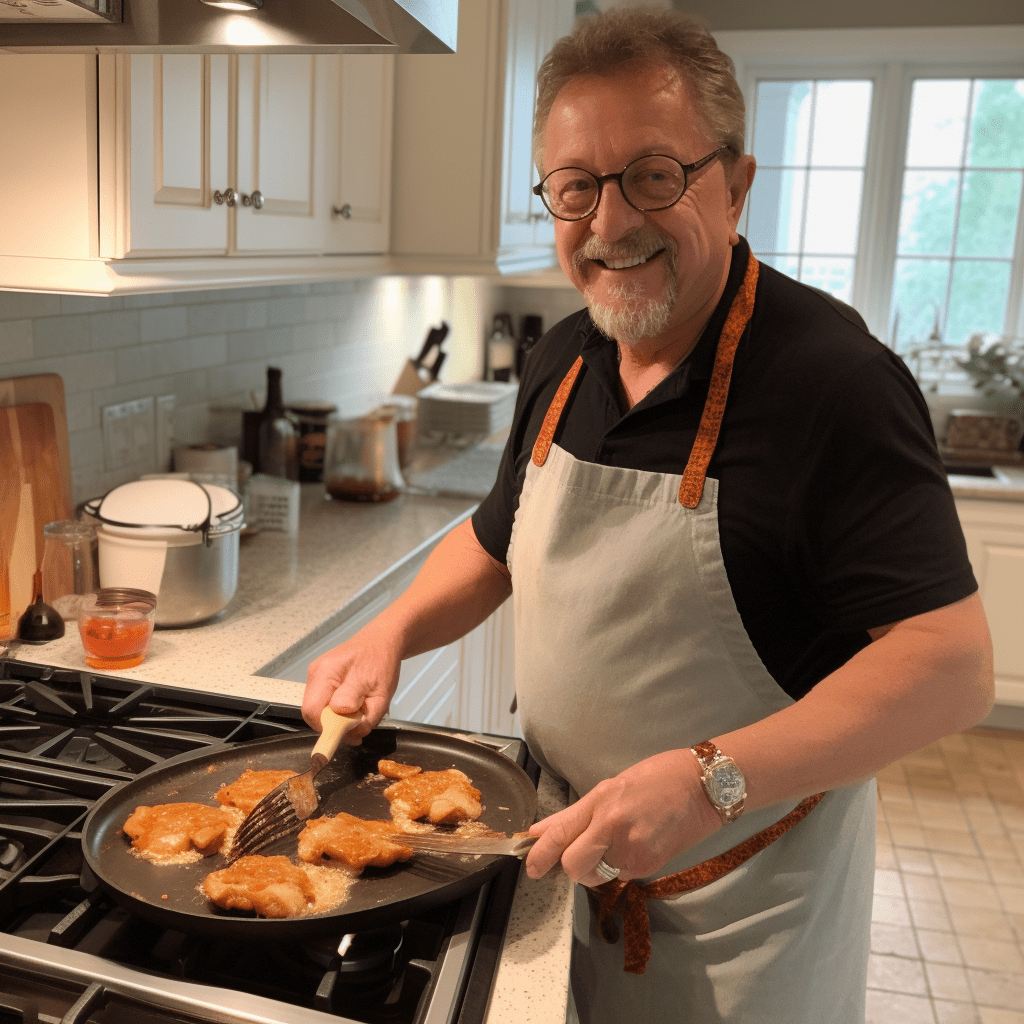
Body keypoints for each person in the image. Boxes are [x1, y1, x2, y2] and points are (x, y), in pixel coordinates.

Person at [303, 8, 994, 1022]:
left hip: (739, 918)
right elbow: (496, 541)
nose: (611, 223)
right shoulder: (561, 357)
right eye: (576, 188)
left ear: (736, 182)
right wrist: (391, 629)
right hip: (551, 874)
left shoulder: (833, 380)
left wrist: (709, 779)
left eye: (654, 175)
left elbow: (950, 663)